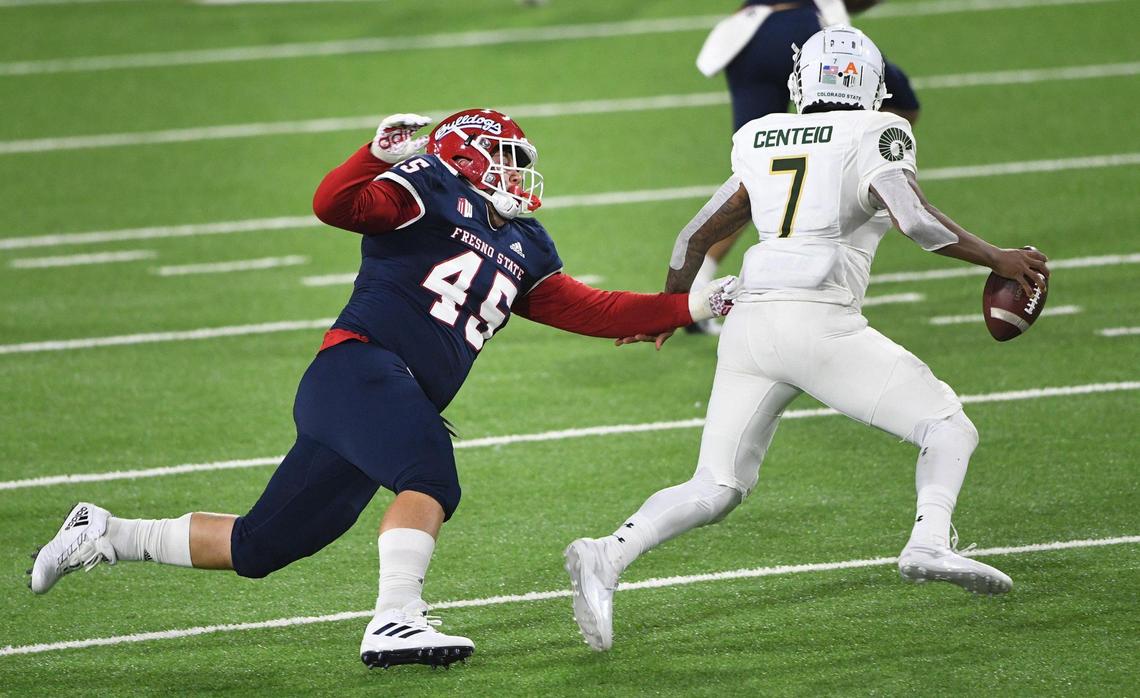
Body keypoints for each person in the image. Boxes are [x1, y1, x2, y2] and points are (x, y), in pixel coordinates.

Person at [27, 109, 735, 669]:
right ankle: (395, 616)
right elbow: (332, 205)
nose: (520, 175)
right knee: (429, 474)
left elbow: (587, 308)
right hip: (357, 371)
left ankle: (108, 534)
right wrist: (373, 157)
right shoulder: (427, 190)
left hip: (380, 399)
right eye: (508, 159)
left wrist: (693, 306)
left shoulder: (528, 244)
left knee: (261, 546)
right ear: (465, 155)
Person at [564, 27, 1050, 652]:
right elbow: (916, 220)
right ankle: (929, 540)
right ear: (871, 83)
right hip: (818, 319)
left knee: (716, 485)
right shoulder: (878, 131)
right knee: (948, 426)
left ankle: (607, 553)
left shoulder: (760, 133)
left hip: (749, 323)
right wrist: (999, 259)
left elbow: (693, 239)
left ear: (801, 82)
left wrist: (668, 310)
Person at [688, 0, 921, 334]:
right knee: (903, 107)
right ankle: (834, 194)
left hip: (747, 32)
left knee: (756, 169)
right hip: (806, 29)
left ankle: (696, 290)